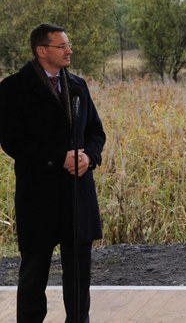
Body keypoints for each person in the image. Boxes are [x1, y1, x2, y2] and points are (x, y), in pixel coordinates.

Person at [0, 23, 106, 322]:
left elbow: (96, 132)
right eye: (62, 46)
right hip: (39, 195)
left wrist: (89, 156)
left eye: (68, 45)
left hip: (77, 193)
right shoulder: (12, 88)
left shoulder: (77, 85)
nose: (69, 50)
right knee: (34, 273)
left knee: (78, 276)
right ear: (42, 50)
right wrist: (59, 159)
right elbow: (13, 142)